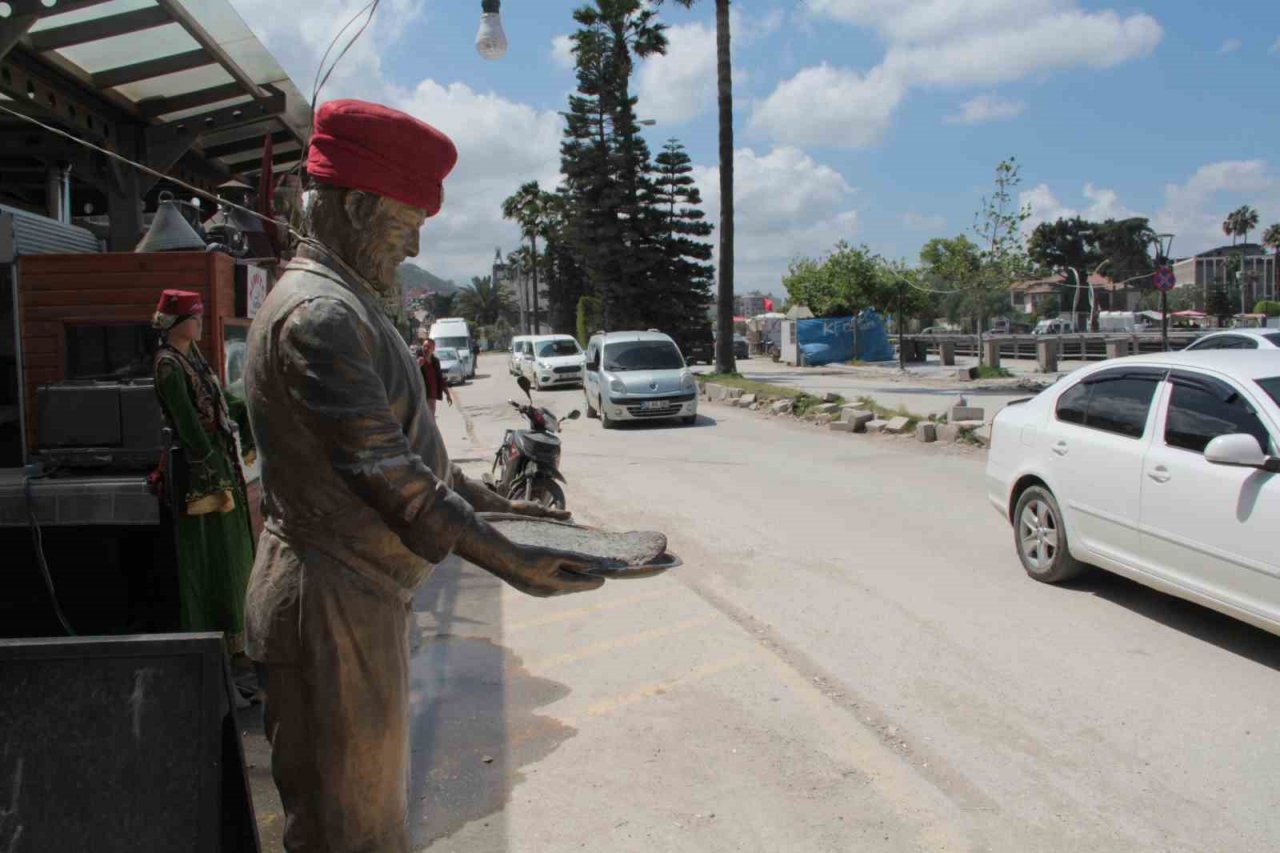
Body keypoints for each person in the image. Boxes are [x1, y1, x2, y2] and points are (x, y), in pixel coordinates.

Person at [242, 99, 607, 853]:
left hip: (355, 598)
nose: (409, 249)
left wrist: (506, 508)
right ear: (353, 206)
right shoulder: (319, 317)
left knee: (368, 823)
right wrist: (512, 559)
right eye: (403, 228)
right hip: (327, 604)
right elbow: (394, 481)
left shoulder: (348, 306)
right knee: (352, 835)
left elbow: (418, 462)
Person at [151, 290, 256, 658]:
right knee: (210, 556)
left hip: (219, 464)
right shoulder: (168, 365)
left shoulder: (192, 356)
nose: (199, 324)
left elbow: (220, 399)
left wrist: (244, 413)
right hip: (199, 475)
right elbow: (188, 424)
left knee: (232, 552)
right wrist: (212, 463)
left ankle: (236, 633)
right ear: (177, 324)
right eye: (194, 318)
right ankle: (210, 640)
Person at [418, 338, 452, 415]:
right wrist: (417, 365)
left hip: (432, 396)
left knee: (431, 418)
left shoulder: (435, 361)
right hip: (421, 396)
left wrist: (447, 394)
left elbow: (440, 378)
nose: (426, 348)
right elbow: (411, 375)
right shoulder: (417, 359)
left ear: (433, 349)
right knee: (424, 419)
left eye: (429, 347)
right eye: (424, 346)